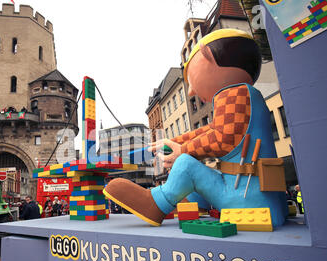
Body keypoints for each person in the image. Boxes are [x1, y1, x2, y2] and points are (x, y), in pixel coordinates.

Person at [104, 29, 288, 228]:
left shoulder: (233, 93)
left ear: (207, 55)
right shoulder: (248, 94)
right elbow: (210, 130)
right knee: (194, 164)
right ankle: (190, 204)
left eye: (191, 80)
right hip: (259, 197)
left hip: (244, 199)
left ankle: (155, 204)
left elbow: (222, 138)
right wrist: (176, 142)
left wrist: (182, 151)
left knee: (185, 163)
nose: (191, 90)